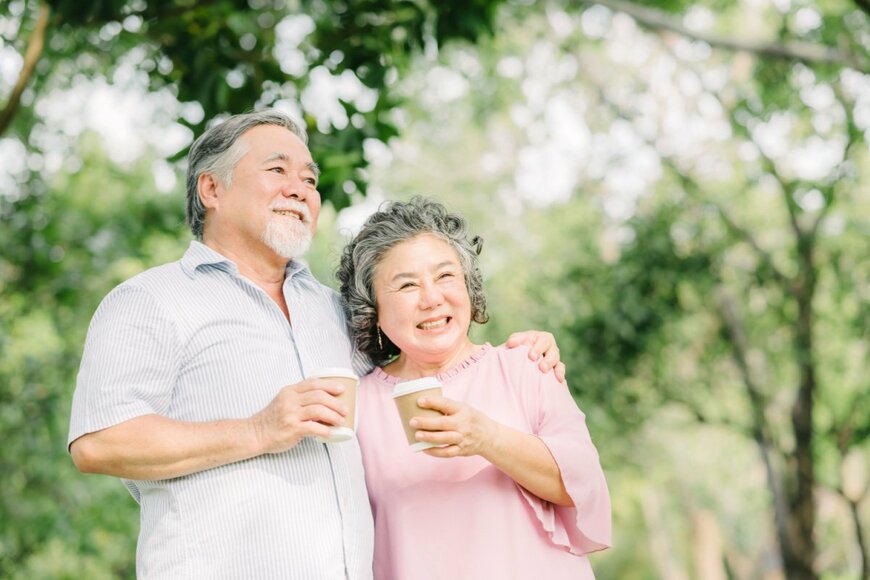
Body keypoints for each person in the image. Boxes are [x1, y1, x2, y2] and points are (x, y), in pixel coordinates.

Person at [67, 110, 565, 579]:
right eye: (277, 169)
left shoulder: (336, 311)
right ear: (211, 188)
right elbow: (99, 443)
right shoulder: (149, 300)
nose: (299, 189)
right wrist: (260, 429)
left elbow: (421, 357)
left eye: (309, 179)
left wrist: (521, 351)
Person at [337, 197, 612, 579]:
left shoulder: (527, 365)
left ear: (468, 286)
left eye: (445, 276)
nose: (432, 298)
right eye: (407, 285)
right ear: (374, 309)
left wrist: (487, 438)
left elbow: (583, 488)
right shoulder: (358, 406)